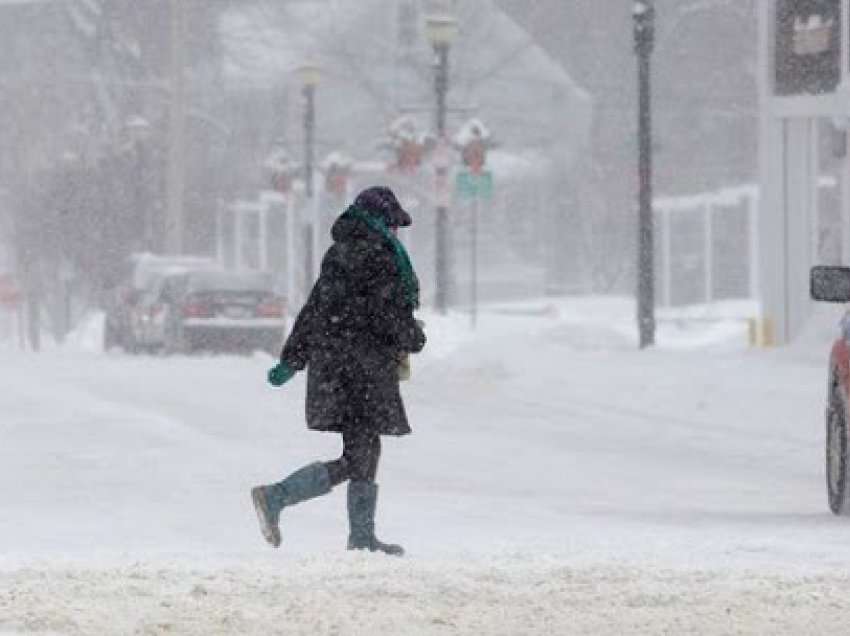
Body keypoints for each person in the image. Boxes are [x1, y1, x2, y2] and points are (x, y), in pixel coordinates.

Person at [251, 186, 426, 556]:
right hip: (359, 368)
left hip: (339, 366)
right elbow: (383, 313)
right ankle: (278, 497)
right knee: (361, 452)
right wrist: (412, 335)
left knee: (363, 449)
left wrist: (292, 359)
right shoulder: (377, 256)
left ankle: (357, 534)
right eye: (392, 224)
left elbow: (316, 309)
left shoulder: (342, 253)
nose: (396, 232)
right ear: (379, 221)